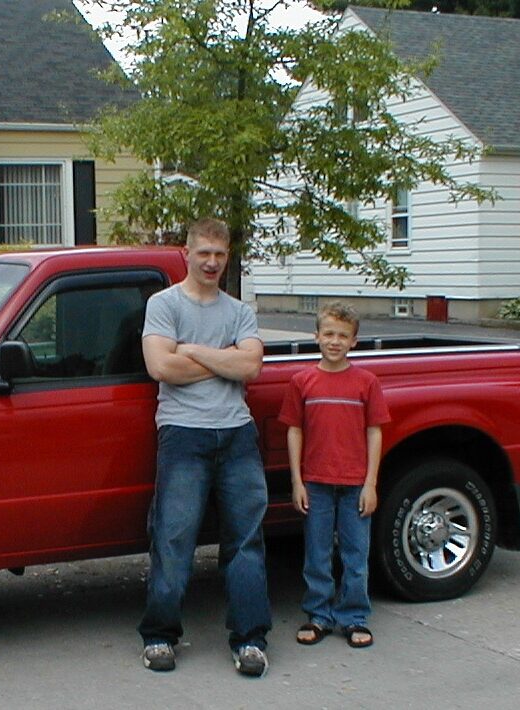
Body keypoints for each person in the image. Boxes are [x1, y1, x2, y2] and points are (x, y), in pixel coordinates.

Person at [137, 217, 271, 677]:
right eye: (203, 253)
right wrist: (225, 362)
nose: (211, 262)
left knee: (246, 542)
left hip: (237, 434)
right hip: (183, 434)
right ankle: (159, 635)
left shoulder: (239, 310)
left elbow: (251, 365)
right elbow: (161, 367)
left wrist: (191, 350)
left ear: (227, 256)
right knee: (173, 540)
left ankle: (250, 640)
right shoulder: (163, 304)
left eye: (219, 254)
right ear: (187, 254)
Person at [278, 301, 390, 649]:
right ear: (316, 336)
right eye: (329, 333)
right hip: (317, 483)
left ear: (354, 341)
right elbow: (294, 430)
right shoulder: (303, 382)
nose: (335, 341)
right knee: (317, 552)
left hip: (355, 483)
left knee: (355, 554)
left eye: (343, 335)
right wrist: (297, 480)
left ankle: (354, 616)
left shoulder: (366, 382)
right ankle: (319, 614)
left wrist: (371, 483)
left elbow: (375, 431)